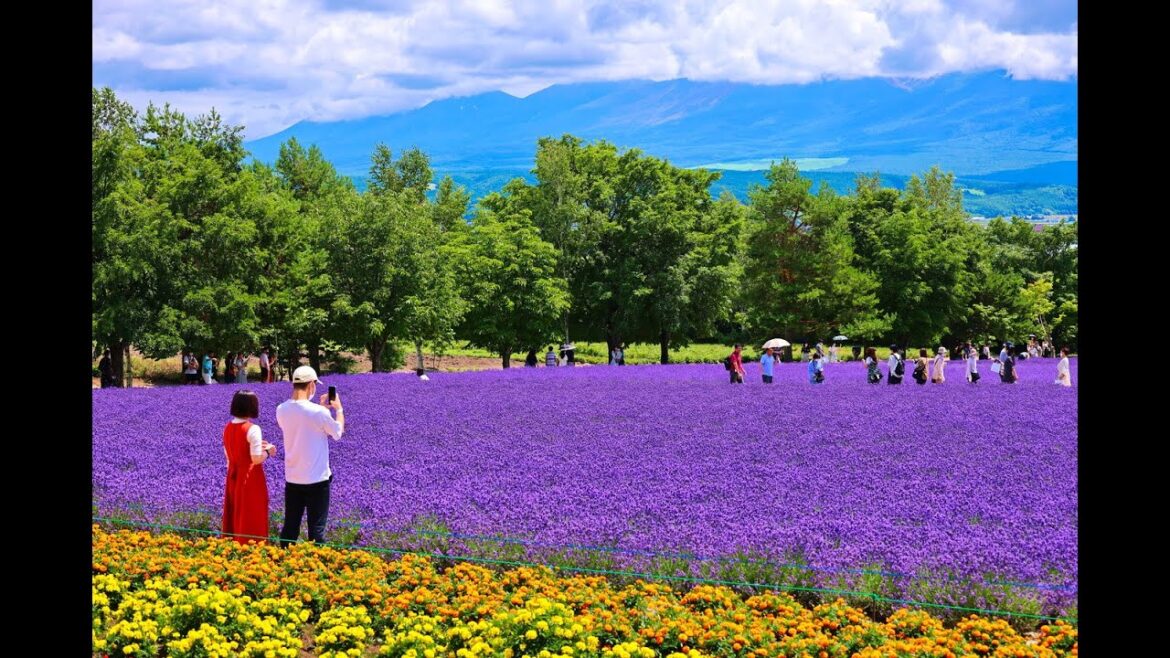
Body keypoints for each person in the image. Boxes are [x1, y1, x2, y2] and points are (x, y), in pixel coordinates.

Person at [277, 366, 345, 546]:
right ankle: (315, 566)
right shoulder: (319, 412)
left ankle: (282, 560)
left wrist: (320, 409)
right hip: (317, 479)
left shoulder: (281, 409)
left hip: (293, 478)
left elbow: (301, 425)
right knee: (317, 529)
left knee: (290, 526)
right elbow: (337, 433)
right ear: (311, 385)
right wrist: (338, 410)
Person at [222, 390, 277, 545]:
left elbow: (229, 456)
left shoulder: (227, 428)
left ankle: (233, 548)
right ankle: (251, 549)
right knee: (252, 514)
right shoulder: (253, 429)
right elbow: (255, 458)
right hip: (250, 478)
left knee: (235, 514)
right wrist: (269, 451)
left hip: (233, 477)